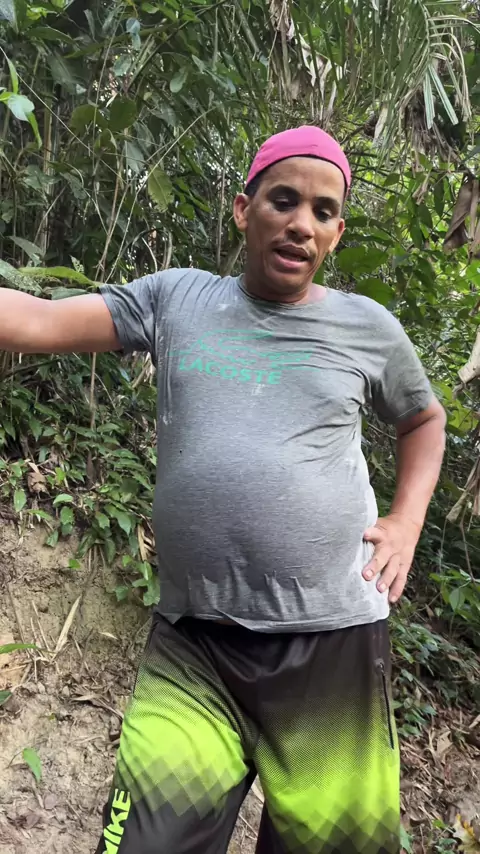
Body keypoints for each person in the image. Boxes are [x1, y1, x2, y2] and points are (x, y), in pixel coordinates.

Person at [0, 126, 446, 854]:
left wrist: (407, 521)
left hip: (329, 646)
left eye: (324, 212)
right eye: (284, 200)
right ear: (244, 209)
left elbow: (424, 421)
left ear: (336, 233)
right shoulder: (179, 299)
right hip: (195, 645)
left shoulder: (366, 328)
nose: (302, 223)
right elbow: (41, 320)